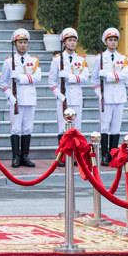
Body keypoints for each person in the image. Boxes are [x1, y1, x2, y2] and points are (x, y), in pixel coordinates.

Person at [0, 28, 41, 168]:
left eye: (25, 42)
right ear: (15, 44)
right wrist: (9, 96)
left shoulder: (34, 60)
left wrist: (20, 77)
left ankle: (25, 156)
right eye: (20, 42)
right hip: (15, 99)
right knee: (16, 129)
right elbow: (3, 82)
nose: (22, 45)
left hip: (29, 98)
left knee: (28, 128)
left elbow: (37, 77)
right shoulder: (8, 62)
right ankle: (16, 156)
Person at [90, 28, 128, 166]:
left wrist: (108, 76)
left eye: (115, 40)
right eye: (110, 40)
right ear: (105, 42)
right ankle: (104, 155)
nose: (113, 43)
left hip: (119, 95)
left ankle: (114, 153)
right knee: (105, 126)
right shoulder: (99, 58)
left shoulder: (123, 59)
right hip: (106, 95)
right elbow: (94, 79)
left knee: (116, 126)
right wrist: (99, 94)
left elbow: (126, 75)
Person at [47, 28, 88, 167]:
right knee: (62, 128)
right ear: (64, 43)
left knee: (76, 128)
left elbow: (84, 77)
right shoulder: (57, 59)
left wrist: (69, 77)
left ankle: (76, 155)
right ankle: (62, 155)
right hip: (63, 98)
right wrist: (59, 95)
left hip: (76, 96)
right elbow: (51, 81)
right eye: (69, 40)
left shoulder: (81, 60)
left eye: (74, 40)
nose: (72, 43)